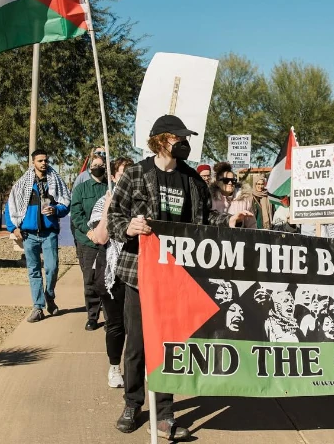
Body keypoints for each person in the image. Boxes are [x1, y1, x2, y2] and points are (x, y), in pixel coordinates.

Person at [107, 114, 251, 440]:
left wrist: (229, 221)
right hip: (138, 274)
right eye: (179, 138)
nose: (185, 143)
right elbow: (115, 216)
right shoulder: (136, 174)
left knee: (169, 346)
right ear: (161, 140)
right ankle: (132, 404)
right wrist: (129, 227)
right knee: (138, 346)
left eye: (186, 138)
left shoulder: (191, 179)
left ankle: (164, 414)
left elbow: (205, 219)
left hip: (177, 276)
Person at [5, 149, 71, 323]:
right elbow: (10, 206)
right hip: (29, 235)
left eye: (45, 160)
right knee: (33, 271)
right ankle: (38, 307)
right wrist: (13, 228)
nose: (43, 163)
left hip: (49, 233)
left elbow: (66, 203)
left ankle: (49, 296)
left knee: (52, 268)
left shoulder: (55, 181)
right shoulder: (22, 184)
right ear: (33, 162)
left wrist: (56, 209)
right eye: (40, 160)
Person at [86, 157, 135, 388]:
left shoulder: (140, 203)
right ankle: (115, 367)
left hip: (137, 271)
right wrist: (108, 208)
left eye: (130, 174)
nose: (126, 178)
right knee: (116, 324)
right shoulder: (101, 202)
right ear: (114, 177)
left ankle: (137, 367)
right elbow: (100, 237)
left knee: (137, 325)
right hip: (112, 272)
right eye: (122, 173)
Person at [70, 154, 108, 331]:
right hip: (88, 241)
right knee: (90, 280)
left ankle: (109, 316)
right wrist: (89, 232)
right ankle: (92, 316)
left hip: (108, 243)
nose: (98, 167)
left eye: (101, 164)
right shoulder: (81, 189)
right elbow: (76, 215)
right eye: (95, 164)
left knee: (109, 279)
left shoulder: (111, 188)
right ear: (89, 167)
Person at [210, 162, 258, 228]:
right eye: (226, 180)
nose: (230, 183)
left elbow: (251, 224)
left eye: (233, 180)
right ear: (217, 182)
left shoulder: (244, 199)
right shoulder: (210, 198)